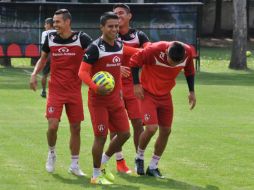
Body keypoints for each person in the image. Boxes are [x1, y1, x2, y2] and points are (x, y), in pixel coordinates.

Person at [29, 9, 92, 176]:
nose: (54, 25)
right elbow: (43, 59)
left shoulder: (82, 38)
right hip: (55, 90)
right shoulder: (50, 38)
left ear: (67, 22)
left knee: (76, 128)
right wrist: (34, 74)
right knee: (52, 126)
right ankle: (51, 153)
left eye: (58, 22)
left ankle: (74, 164)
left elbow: (95, 55)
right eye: (54, 22)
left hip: (74, 91)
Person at [78, 12, 139, 185]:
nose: (114, 29)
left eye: (116, 26)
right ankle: (96, 175)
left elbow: (136, 52)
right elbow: (82, 72)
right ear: (102, 27)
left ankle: (103, 162)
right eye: (110, 26)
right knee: (101, 136)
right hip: (98, 101)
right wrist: (96, 87)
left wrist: (156, 49)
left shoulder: (119, 45)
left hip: (115, 100)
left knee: (125, 133)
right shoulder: (94, 47)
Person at [130, 41, 196, 178]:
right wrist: (136, 84)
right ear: (166, 53)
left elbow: (189, 71)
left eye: (177, 63)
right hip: (147, 93)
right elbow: (134, 61)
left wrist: (192, 91)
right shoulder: (153, 50)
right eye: (171, 62)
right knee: (151, 128)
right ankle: (139, 157)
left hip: (165, 95)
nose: (174, 66)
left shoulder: (188, 52)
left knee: (166, 130)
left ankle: (153, 166)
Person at [112, 3, 150, 174]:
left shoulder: (139, 35)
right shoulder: (109, 34)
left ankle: (139, 159)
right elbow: (102, 58)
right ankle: (119, 161)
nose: (118, 16)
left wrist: (141, 53)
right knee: (116, 126)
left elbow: (149, 52)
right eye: (115, 14)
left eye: (121, 13)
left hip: (135, 86)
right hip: (114, 86)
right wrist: (116, 67)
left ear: (129, 16)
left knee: (137, 123)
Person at [40, 18, 55, 98]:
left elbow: (44, 47)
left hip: (48, 56)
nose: (44, 26)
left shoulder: (45, 33)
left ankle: (43, 91)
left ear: (49, 25)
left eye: (45, 24)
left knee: (44, 74)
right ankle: (56, 91)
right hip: (56, 56)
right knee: (56, 75)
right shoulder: (57, 32)